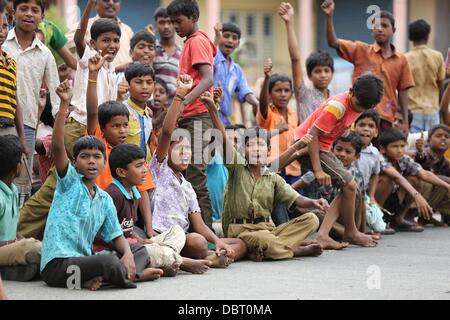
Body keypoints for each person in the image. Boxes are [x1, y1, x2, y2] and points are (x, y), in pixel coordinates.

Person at [40, 80, 161, 290]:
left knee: (139, 251)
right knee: (107, 262)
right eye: (84, 157)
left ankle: (109, 277)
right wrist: (63, 106)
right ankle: (130, 276)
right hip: (58, 266)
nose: (91, 161)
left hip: (84, 263)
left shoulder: (104, 198)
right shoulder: (69, 183)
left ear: (105, 162)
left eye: (97, 157)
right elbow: (59, 147)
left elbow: (116, 235)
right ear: (75, 162)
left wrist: (126, 254)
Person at [201, 90, 325, 261]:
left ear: (267, 151)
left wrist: (314, 202)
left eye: (260, 145)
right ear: (243, 151)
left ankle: (271, 248)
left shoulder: (272, 177)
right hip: (241, 230)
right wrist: (213, 111)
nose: (256, 149)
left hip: (268, 228)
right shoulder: (237, 167)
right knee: (266, 240)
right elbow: (223, 138)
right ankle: (293, 249)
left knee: (311, 219)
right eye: (251, 145)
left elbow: (297, 200)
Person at [151, 74, 247, 270]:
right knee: (198, 242)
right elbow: (168, 132)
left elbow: (200, 224)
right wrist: (179, 96)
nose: (185, 154)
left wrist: (218, 241)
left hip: (183, 239)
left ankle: (211, 257)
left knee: (239, 244)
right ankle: (200, 260)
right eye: (179, 150)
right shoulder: (159, 169)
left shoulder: (187, 186)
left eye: (188, 150)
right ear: (167, 151)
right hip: (161, 235)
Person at [295, 74, 384, 249]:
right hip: (308, 145)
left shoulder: (358, 106)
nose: (359, 109)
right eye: (358, 104)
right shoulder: (337, 107)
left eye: (364, 107)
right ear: (352, 91)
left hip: (323, 147)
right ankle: (349, 232)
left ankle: (326, 235)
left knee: (350, 187)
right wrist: (318, 169)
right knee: (349, 185)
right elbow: (311, 136)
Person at [321, 0, 414, 133]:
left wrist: (404, 121)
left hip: (385, 118)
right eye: (376, 26)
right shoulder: (360, 50)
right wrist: (329, 16)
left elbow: (403, 92)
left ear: (393, 30)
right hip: (358, 115)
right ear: (371, 31)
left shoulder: (401, 60)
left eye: (384, 25)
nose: (380, 29)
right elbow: (333, 43)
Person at [3, 0, 60, 203]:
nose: (29, 14)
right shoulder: (2, 43)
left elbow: (58, 94)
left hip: (26, 123)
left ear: (42, 17)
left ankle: (14, 228)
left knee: (18, 179)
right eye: (23, 9)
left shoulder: (45, 54)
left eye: (35, 10)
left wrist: (57, 136)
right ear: (13, 12)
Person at [167, 0, 216, 229]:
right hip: (191, 115)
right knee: (186, 173)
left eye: (179, 21)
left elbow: (208, 78)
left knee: (196, 173)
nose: (175, 26)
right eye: (172, 22)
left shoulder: (196, 42)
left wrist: (184, 100)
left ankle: (206, 237)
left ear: (193, 17)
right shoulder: (190, 42)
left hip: (198, 116)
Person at [105, 144, 183, 277]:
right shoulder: (113, 195)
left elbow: (128, 229)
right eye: (138, 166)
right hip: (118, 250)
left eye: (144, 165)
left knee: (177, 232)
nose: (145, 170)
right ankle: (177, 260)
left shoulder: (135, 193)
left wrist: (140, 239)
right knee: (153, 251)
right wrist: (133, 246)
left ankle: (167, 257)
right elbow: (101, 234)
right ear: (121, 172)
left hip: (134, 245)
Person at [68, 1, 120, 160]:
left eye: (116, 40)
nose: (112, 45)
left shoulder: (111, 69)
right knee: (71, 175)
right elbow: (78, 40)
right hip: (80, 126)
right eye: (106, 40)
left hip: (98, 129)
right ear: (92, 43)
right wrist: (90, 5)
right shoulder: (90, 58)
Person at [376, 128, 450, 231]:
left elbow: (424, 174)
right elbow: (397, 177)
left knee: (414, 179)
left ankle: (398, 219)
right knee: (386, 181)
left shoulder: (403, 158)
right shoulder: (379, 158)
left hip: (392, 199)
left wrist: (447, 187)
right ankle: (376, 220)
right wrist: (417, 195)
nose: (399, 150)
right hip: (374, 202)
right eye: (394, 146)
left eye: (402, 146)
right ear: (383, 148)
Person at [279, 2, 333, 123]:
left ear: (332, 73)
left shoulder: (336, 101)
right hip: (305, 142)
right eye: (317, 71)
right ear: (309, 75)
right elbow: (295, 59)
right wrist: (289, 23)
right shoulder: (304, 95)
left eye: (326, 71)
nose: (323, 75)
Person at [0, 135, 41, 281]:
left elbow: (9, 229)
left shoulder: (13, 190)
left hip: (8, 247)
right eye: (23, 160)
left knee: (32, 245)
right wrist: (16, 244)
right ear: (18, 166)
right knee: (33, 248)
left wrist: (20, 238)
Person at [213, 21, 259, 126]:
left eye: (234, 38)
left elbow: (245, 91)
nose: (230, 40)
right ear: (219, 37)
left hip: (224, 121)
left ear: (238, 44)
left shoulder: (237, 70)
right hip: (206, 116)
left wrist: (256, 103)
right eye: (226, 36)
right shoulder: (212, 58)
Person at [66, 0, 134, 70]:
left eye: (115, 0)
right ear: (95, 3)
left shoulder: (127, 29)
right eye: (106, 0)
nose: (111, 3)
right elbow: (72, 43)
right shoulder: (84, 27)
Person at [405, 19, 445, 133]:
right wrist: (441, 110)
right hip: (433, 110)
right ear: (427, 36)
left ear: (410, 37)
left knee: (414, 145)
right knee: (433, 146)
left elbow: (402, 87)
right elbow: (441, 85)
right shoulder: (437, 56)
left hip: (413, 111)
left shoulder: (405, 58)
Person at [0, 2, 27, 155]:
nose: (1, 31)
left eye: (4, 26)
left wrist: (22, 138)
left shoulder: (10, 62)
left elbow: (15, 101)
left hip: (9, 130)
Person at [414, 125, 450, 226]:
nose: (443, 138)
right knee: (440, 184)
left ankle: (445, 216)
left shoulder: (446, 162)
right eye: (438, 135)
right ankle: (413, 216)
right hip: (414, 195)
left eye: (447, 137)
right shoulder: (425, 153)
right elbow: (421, 160)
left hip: (430, 198)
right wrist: (420, 151)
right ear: (429, 140)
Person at [153, 6, 181, 100]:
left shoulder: (183, 53)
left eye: (169, 22)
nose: (166, 26)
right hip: (154, 107)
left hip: (174, 107)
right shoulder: (151, 50)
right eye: (162, 22)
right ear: (156, 25)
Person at [149, 78, 169, 154]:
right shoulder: (141, 114)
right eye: (153, 91)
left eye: (162, 92)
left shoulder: (170, 118)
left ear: (167, 97)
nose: (157, 94)